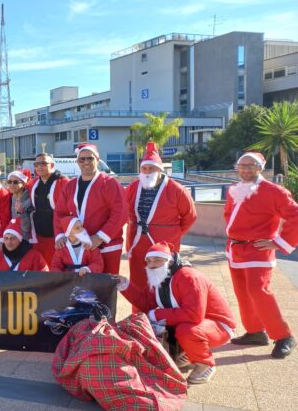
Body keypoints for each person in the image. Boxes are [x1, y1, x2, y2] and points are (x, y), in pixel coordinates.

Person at [116, 242, 237, 384]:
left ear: (170, 260)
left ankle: (206, 364)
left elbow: (193, 314)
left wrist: (157, 315)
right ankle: (187, 352)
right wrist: (125, 286)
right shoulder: (158, 277)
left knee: (185, 331)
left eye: (157, 260)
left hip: (218, 326)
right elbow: (147, 305)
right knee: (149, 323)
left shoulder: (189, 277)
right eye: (149, 261)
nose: (152, 264)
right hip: (192, 322)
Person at [225, 152, 298, 359]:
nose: (245, 170)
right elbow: (229, 215)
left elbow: (295, 216)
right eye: (241, 165)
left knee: (258, 291)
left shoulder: (274, 191)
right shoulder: (234, 190)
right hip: (235, 249)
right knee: (243, 293)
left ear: (260, 167)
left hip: (258, 250)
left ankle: (284, 336)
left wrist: (278, 242)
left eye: (250, 166)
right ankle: (255, 331)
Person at [125, 142, 197, 309]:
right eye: (145, 168)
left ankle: (163, 321)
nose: (148, 172)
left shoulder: (176, 189)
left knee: (164, 283)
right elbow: (122, 209)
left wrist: (174, 234)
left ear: (160, 170)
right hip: (137, 245)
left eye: (152, 168)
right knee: (138, 283)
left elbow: (190, 216)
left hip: (164, 246)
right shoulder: (133, 187)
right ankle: (139, 321)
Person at [55, 143, 127, 275]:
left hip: (106, 245)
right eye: (82, 159)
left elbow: (120, 213)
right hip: (80, 246)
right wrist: (60, 234)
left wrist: (100, 237)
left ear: (98, 160)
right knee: (83, 290)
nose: (86, 162)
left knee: (106, 287)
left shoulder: (110, 183)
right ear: (77, 162)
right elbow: (60, 212)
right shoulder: (70, 185)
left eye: (90, 158)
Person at [28, 153, 68, 265]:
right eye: (36, 164)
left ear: (52, 164)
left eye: (43, 163)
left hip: (57, 234)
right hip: (38, 234)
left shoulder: (64, 182)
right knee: (40, 265)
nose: (40, 167)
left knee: (56, 266)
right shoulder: (33, 183)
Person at [5, 168, 33, 242]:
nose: (11, 185)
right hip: (13, 239)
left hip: (27, 241)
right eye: (9, 182)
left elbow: (27, 228)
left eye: (15, 182)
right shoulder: (11, 197)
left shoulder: (29, 200)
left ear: (23, 184)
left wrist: (22, 212)